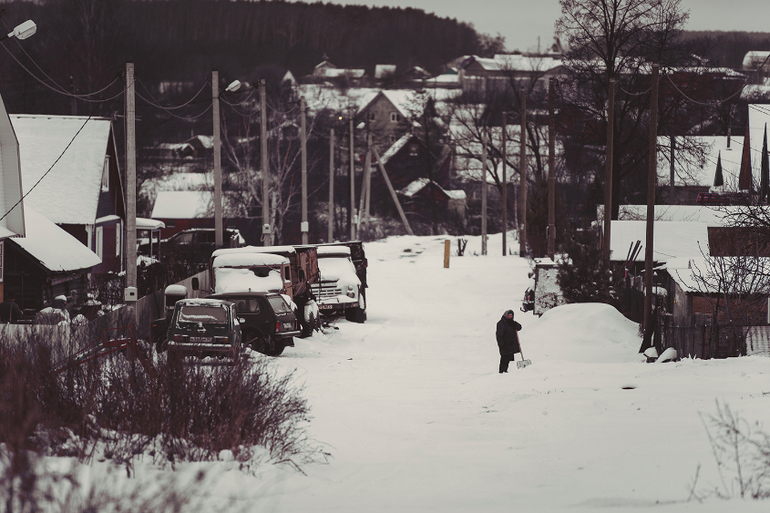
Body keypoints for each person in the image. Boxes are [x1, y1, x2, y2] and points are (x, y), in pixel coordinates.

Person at [496, 309, 522, 373]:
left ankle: (505, 371)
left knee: (508, 359)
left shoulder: (511, 323)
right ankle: (501, 371)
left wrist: (514, 324)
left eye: (511, 315)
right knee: (504, 358)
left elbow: (519, 327)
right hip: (504, 345)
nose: (510, 317)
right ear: (506, 315)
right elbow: (499, 335)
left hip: (510, 345)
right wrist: (501, 344)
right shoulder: (501, 323)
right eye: (509, 315)